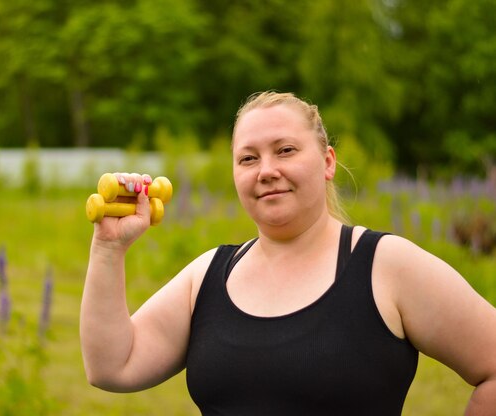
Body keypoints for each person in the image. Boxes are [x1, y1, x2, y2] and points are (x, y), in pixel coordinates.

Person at [80, 91, 496, 415]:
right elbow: (112, 365)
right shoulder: (208, 276)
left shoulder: (387, 266)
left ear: (327, 161)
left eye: (285, 150)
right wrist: (108, 246)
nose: (266, 170)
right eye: (248, 158)